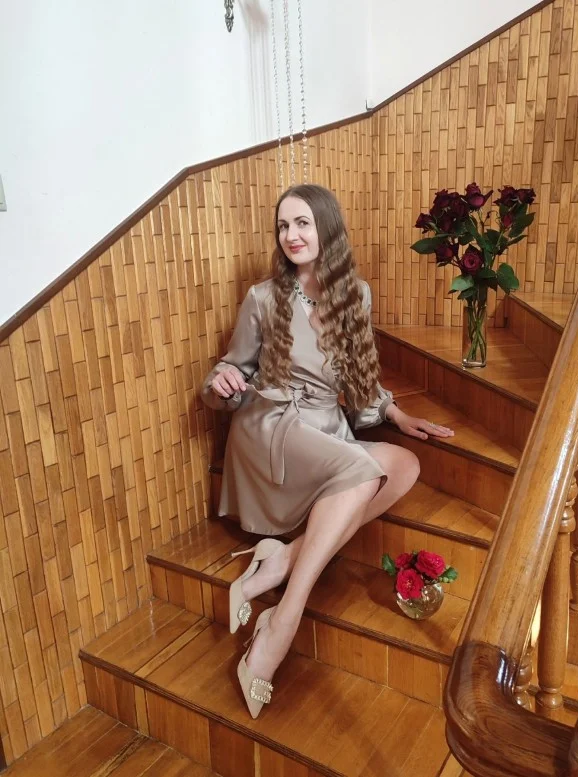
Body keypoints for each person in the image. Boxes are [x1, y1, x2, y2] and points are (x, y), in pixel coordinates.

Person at [201, 184, 454, 718]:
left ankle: (281, 559)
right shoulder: (263, 298)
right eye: (283, 226)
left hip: (324, 426)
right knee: (363, 473)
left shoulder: (356, 295)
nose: (291, 235)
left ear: (327, 228)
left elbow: (360, 378)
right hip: (270, 424)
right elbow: (232, 368)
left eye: (302, 223)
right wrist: (221, 381)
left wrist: (395, 414)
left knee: (403, 465)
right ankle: (283, 620)